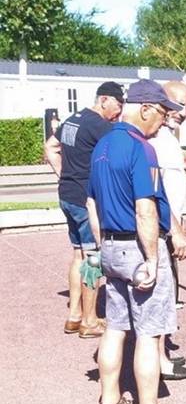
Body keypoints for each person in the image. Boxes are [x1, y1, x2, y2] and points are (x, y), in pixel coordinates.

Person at [86, 79, 186, 404]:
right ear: (145, 108)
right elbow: (146, 209)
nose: (164, 122)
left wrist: (103, 246)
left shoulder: (101, 144)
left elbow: (91, 202)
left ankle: (109, 401)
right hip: (138, 246)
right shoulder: (141, 149)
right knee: (148, 334)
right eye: (162, 113)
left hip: (112, 247)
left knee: (116, 327)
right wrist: (152, 259)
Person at [43, 81, 124, 338]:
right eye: (118, 104)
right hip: (84, 200)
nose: (119, 111)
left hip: (66, 194)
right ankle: (89, 321)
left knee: (78, 253)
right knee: (93, 256)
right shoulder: (99, 125)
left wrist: (63, 174)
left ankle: (74, 315)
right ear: (104, 100)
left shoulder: (71, 120)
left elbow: (50, 147)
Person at [146, 80, 186, 380]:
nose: (183, 111)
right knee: (160, 295)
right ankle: (161, 362)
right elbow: (158, 188)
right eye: (179, 104)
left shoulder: (167, 135)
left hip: (170, 223)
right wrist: (176, 227)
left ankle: (163, 353)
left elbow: (172, 174)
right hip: (162, 227)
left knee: (168, 294)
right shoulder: (155, 137)